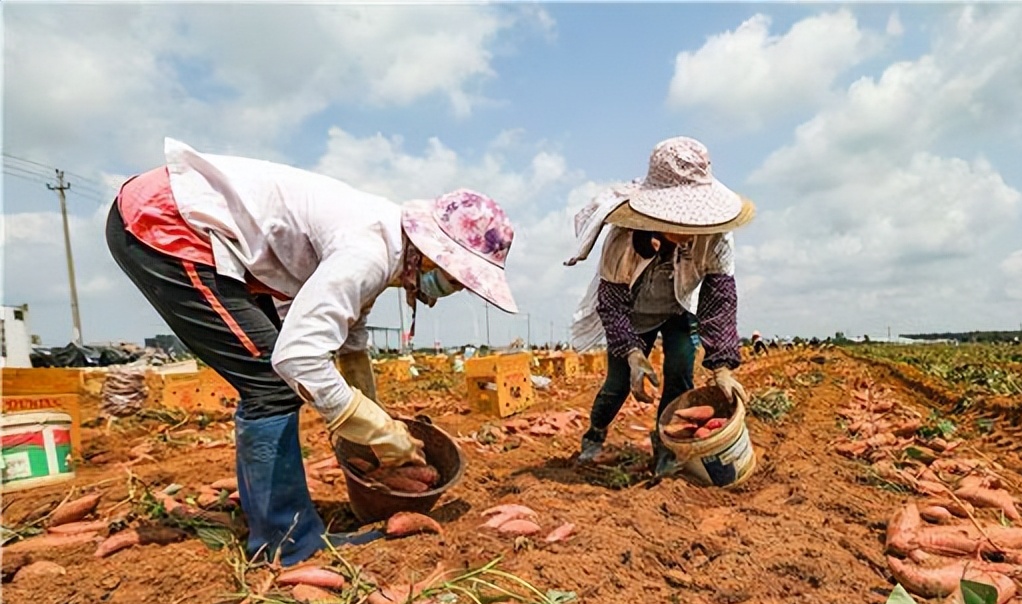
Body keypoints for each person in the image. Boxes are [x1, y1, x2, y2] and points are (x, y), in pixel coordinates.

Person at [106, 138, 518, 566]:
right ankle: (287, 543)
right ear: (435, 256)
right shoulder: (370, 251)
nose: (451, 291)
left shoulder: (386, 251)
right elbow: (297, 358)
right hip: (169, 223)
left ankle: (271, 523)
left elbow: (349, 345)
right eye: (456, 280)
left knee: (267, 379)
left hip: (198, 230)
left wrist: (374, 420)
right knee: (270, 381)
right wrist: (380, 431)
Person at [564, 137, 753, 475]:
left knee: (680, 375)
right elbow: (611, 302)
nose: (687, 227)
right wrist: (634, 354)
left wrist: (722, 366)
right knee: (618, 384)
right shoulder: (624, 240)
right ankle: (594, 437)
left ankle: (665, 450)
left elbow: (719, 296)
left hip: (679, 310)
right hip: (632, 317)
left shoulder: (717, 237)